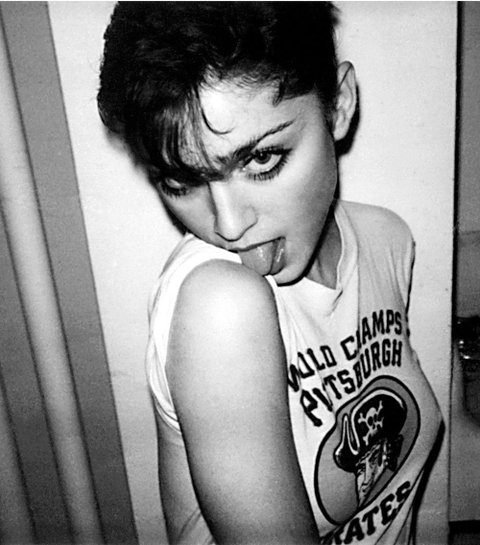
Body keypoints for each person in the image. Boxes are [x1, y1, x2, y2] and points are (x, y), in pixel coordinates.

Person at [97, 3, 442, 544]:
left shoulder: (387, 240)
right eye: (180, 181)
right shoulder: (218, 304)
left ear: (338, 105)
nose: (230, 226)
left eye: (261, 159)